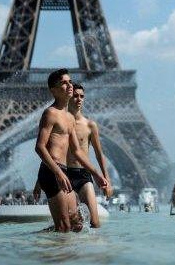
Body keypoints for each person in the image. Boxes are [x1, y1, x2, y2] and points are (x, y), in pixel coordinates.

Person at [33, 69, 109, 232]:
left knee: (76, 225)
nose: (69, 85)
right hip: (52, 171)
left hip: (63, 171)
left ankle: (39, 237)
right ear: (53, 90)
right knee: (64, 226)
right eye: (64, 83)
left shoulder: (69, 118)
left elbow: (77, 152)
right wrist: (58, 173)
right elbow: (39, 147)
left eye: (70, 82)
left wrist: (96, 174)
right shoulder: (50, 113)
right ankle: (53, 255)